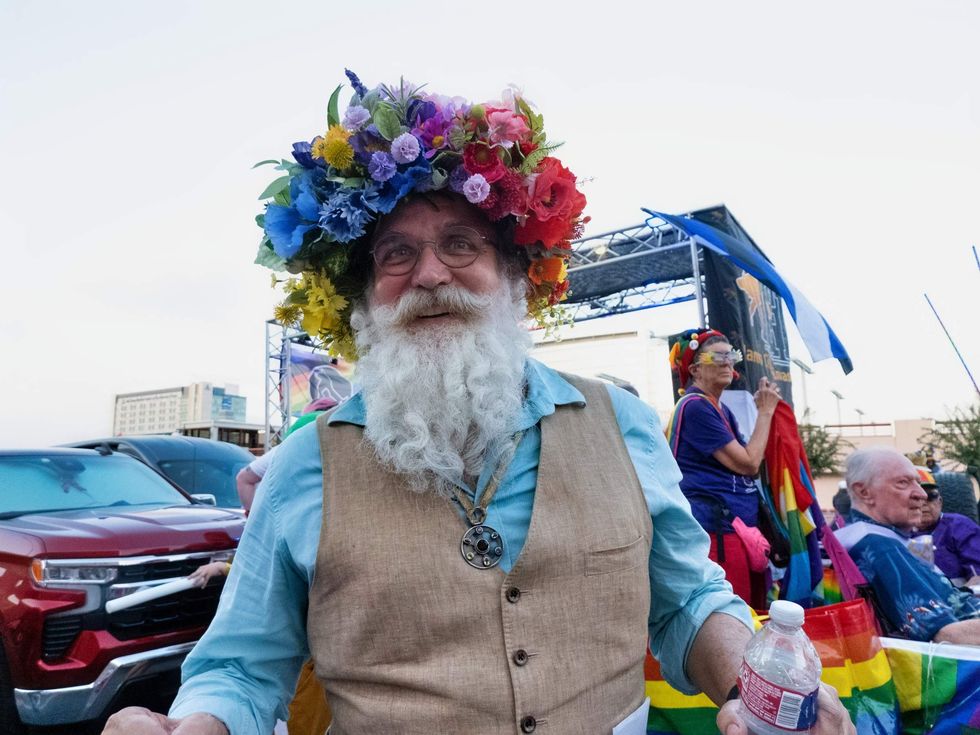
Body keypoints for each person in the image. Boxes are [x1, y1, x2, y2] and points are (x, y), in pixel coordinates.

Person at [102, 73, 851, 735]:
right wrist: (193, 722)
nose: (429, 273)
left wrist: (752, 684)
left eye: (461, 243)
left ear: (513, 277)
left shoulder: (621, 427)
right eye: (395, 253)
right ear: (365, 297)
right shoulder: (307, 463)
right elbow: (241, 665)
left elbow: (688, 600)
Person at [666, 328, 782, 608]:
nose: (728, 362)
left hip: (735, 527)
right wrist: (765, 412)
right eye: (718, 357)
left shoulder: (720, 408)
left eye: (731, 356)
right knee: (733, 615)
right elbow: (749, 462)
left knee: (753, 611)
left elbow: (750, 463)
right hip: (716, 529)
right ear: (695, 369)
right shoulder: (695, 407)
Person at [835, 447, 980, 644]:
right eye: (903, 483)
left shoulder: (883, 536)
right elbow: (946, 634)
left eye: (918, 483)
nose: (921, 494)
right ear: (864, 492)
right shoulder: (878, 545)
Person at [913, 467, 980, 586]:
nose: (922, 502)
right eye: (915, 497)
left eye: (930, 496)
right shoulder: (895, 531)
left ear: (940, 502)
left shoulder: (959, 526)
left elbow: (978, 577)